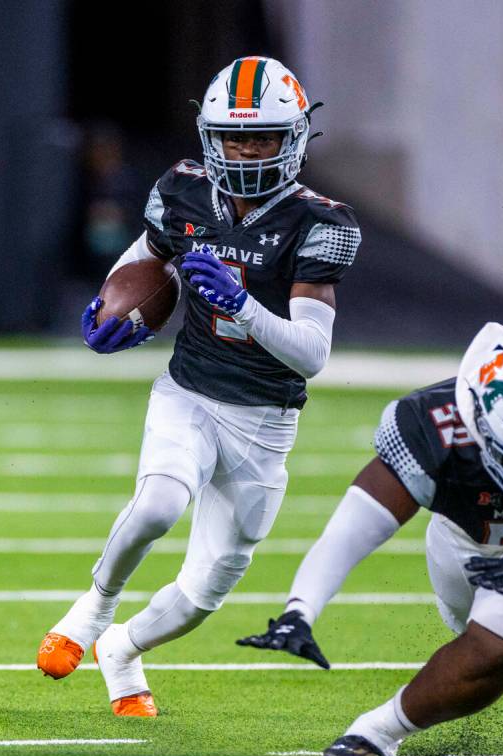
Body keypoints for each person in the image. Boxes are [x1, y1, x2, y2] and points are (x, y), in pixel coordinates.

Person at [36, 56, 361, 717]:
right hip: (189, 392)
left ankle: (123, 652)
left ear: (293, 138)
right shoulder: (183, 189)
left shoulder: (319, 220)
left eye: (262, 136)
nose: (245, 148)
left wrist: (243, 307)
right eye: (234, 135)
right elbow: (147, 256)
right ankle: (91, 611)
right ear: (210, 135)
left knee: (203, 593)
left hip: (264, 423)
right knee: (158, 504)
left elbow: (311, 355)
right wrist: (114, 304)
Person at [238, 322, 503, 756]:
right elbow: (352, 531)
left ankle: (376, 733)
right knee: (471, 629)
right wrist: (299, 611)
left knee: (499, 637)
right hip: (464, 541)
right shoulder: (431, 427)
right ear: (476, 416)